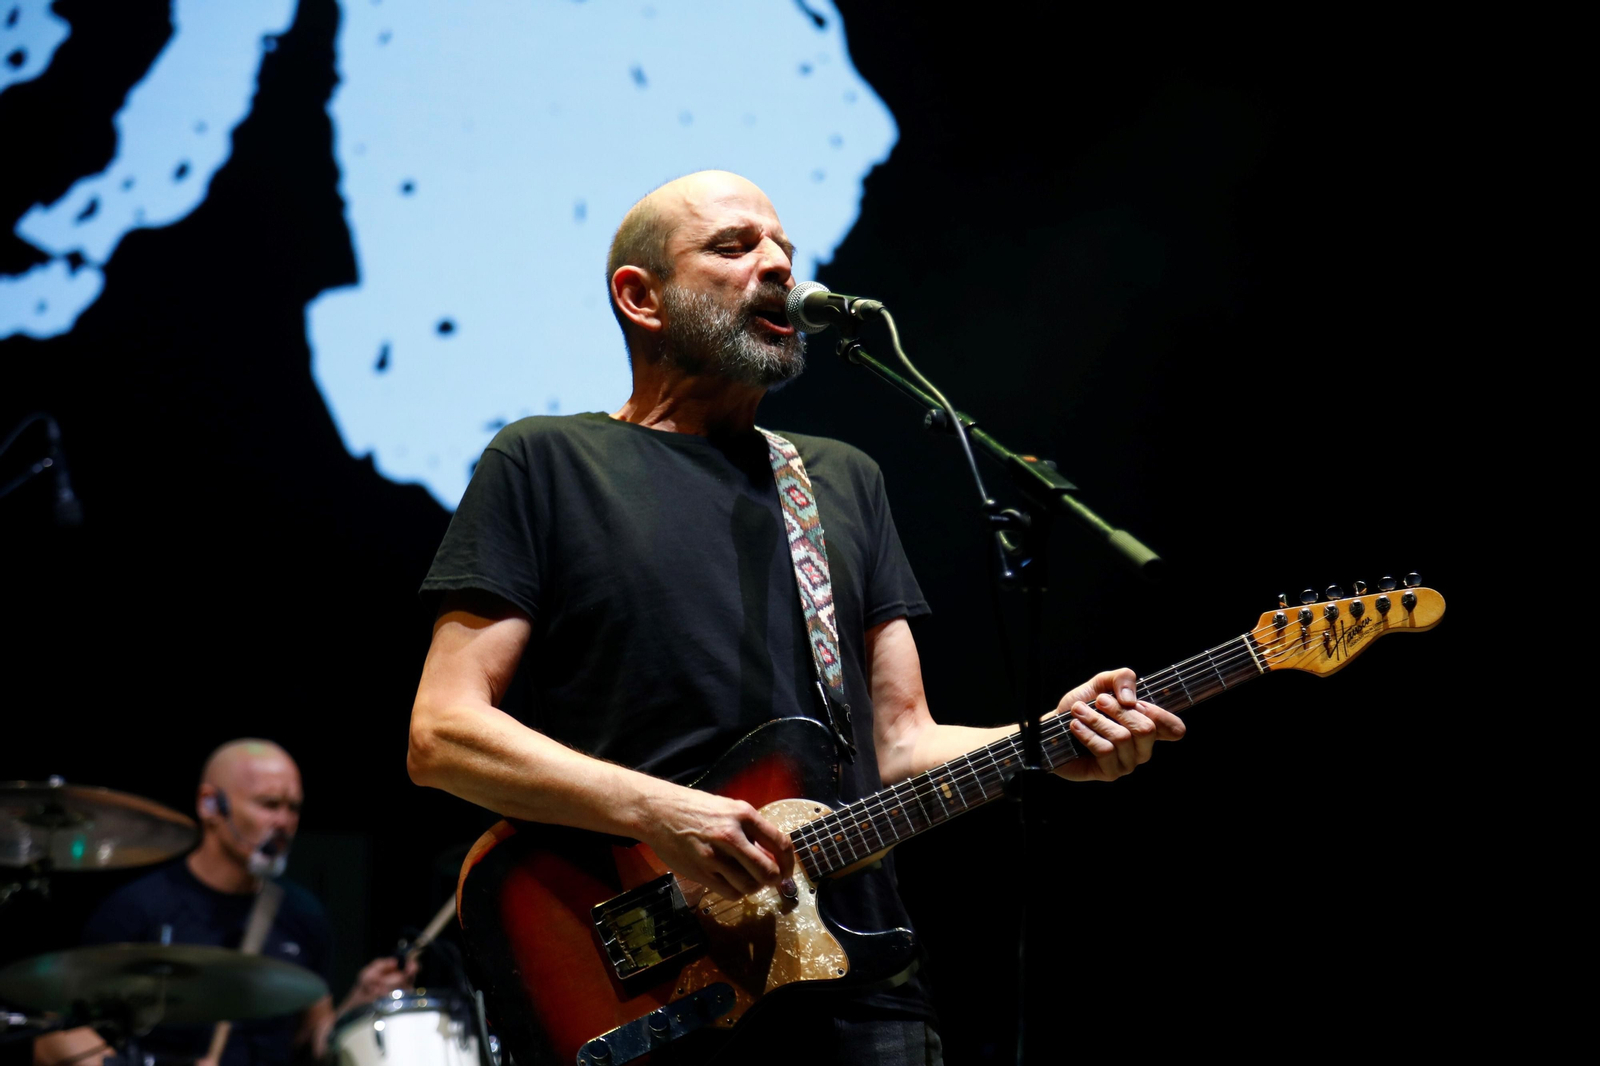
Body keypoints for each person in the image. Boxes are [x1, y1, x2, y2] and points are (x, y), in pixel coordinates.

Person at [406, 170, 1186, 1064]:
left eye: (783, 246)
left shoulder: (838, 479)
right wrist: (662, 812)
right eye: (734, 247)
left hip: (860, 981)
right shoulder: (545, 463)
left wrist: (1045, 744)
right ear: (640, 297)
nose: (777, 264)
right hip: (657, 990)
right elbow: (443, 734)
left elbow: (901, 743)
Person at [32, 740, 416, 1066]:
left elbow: (314, 1043)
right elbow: (54, 1039)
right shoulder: (138, 909)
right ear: (210, 805)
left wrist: (360, 1003)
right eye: (269, 804)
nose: (283, 822)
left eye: (293, 808)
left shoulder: (302, 914)